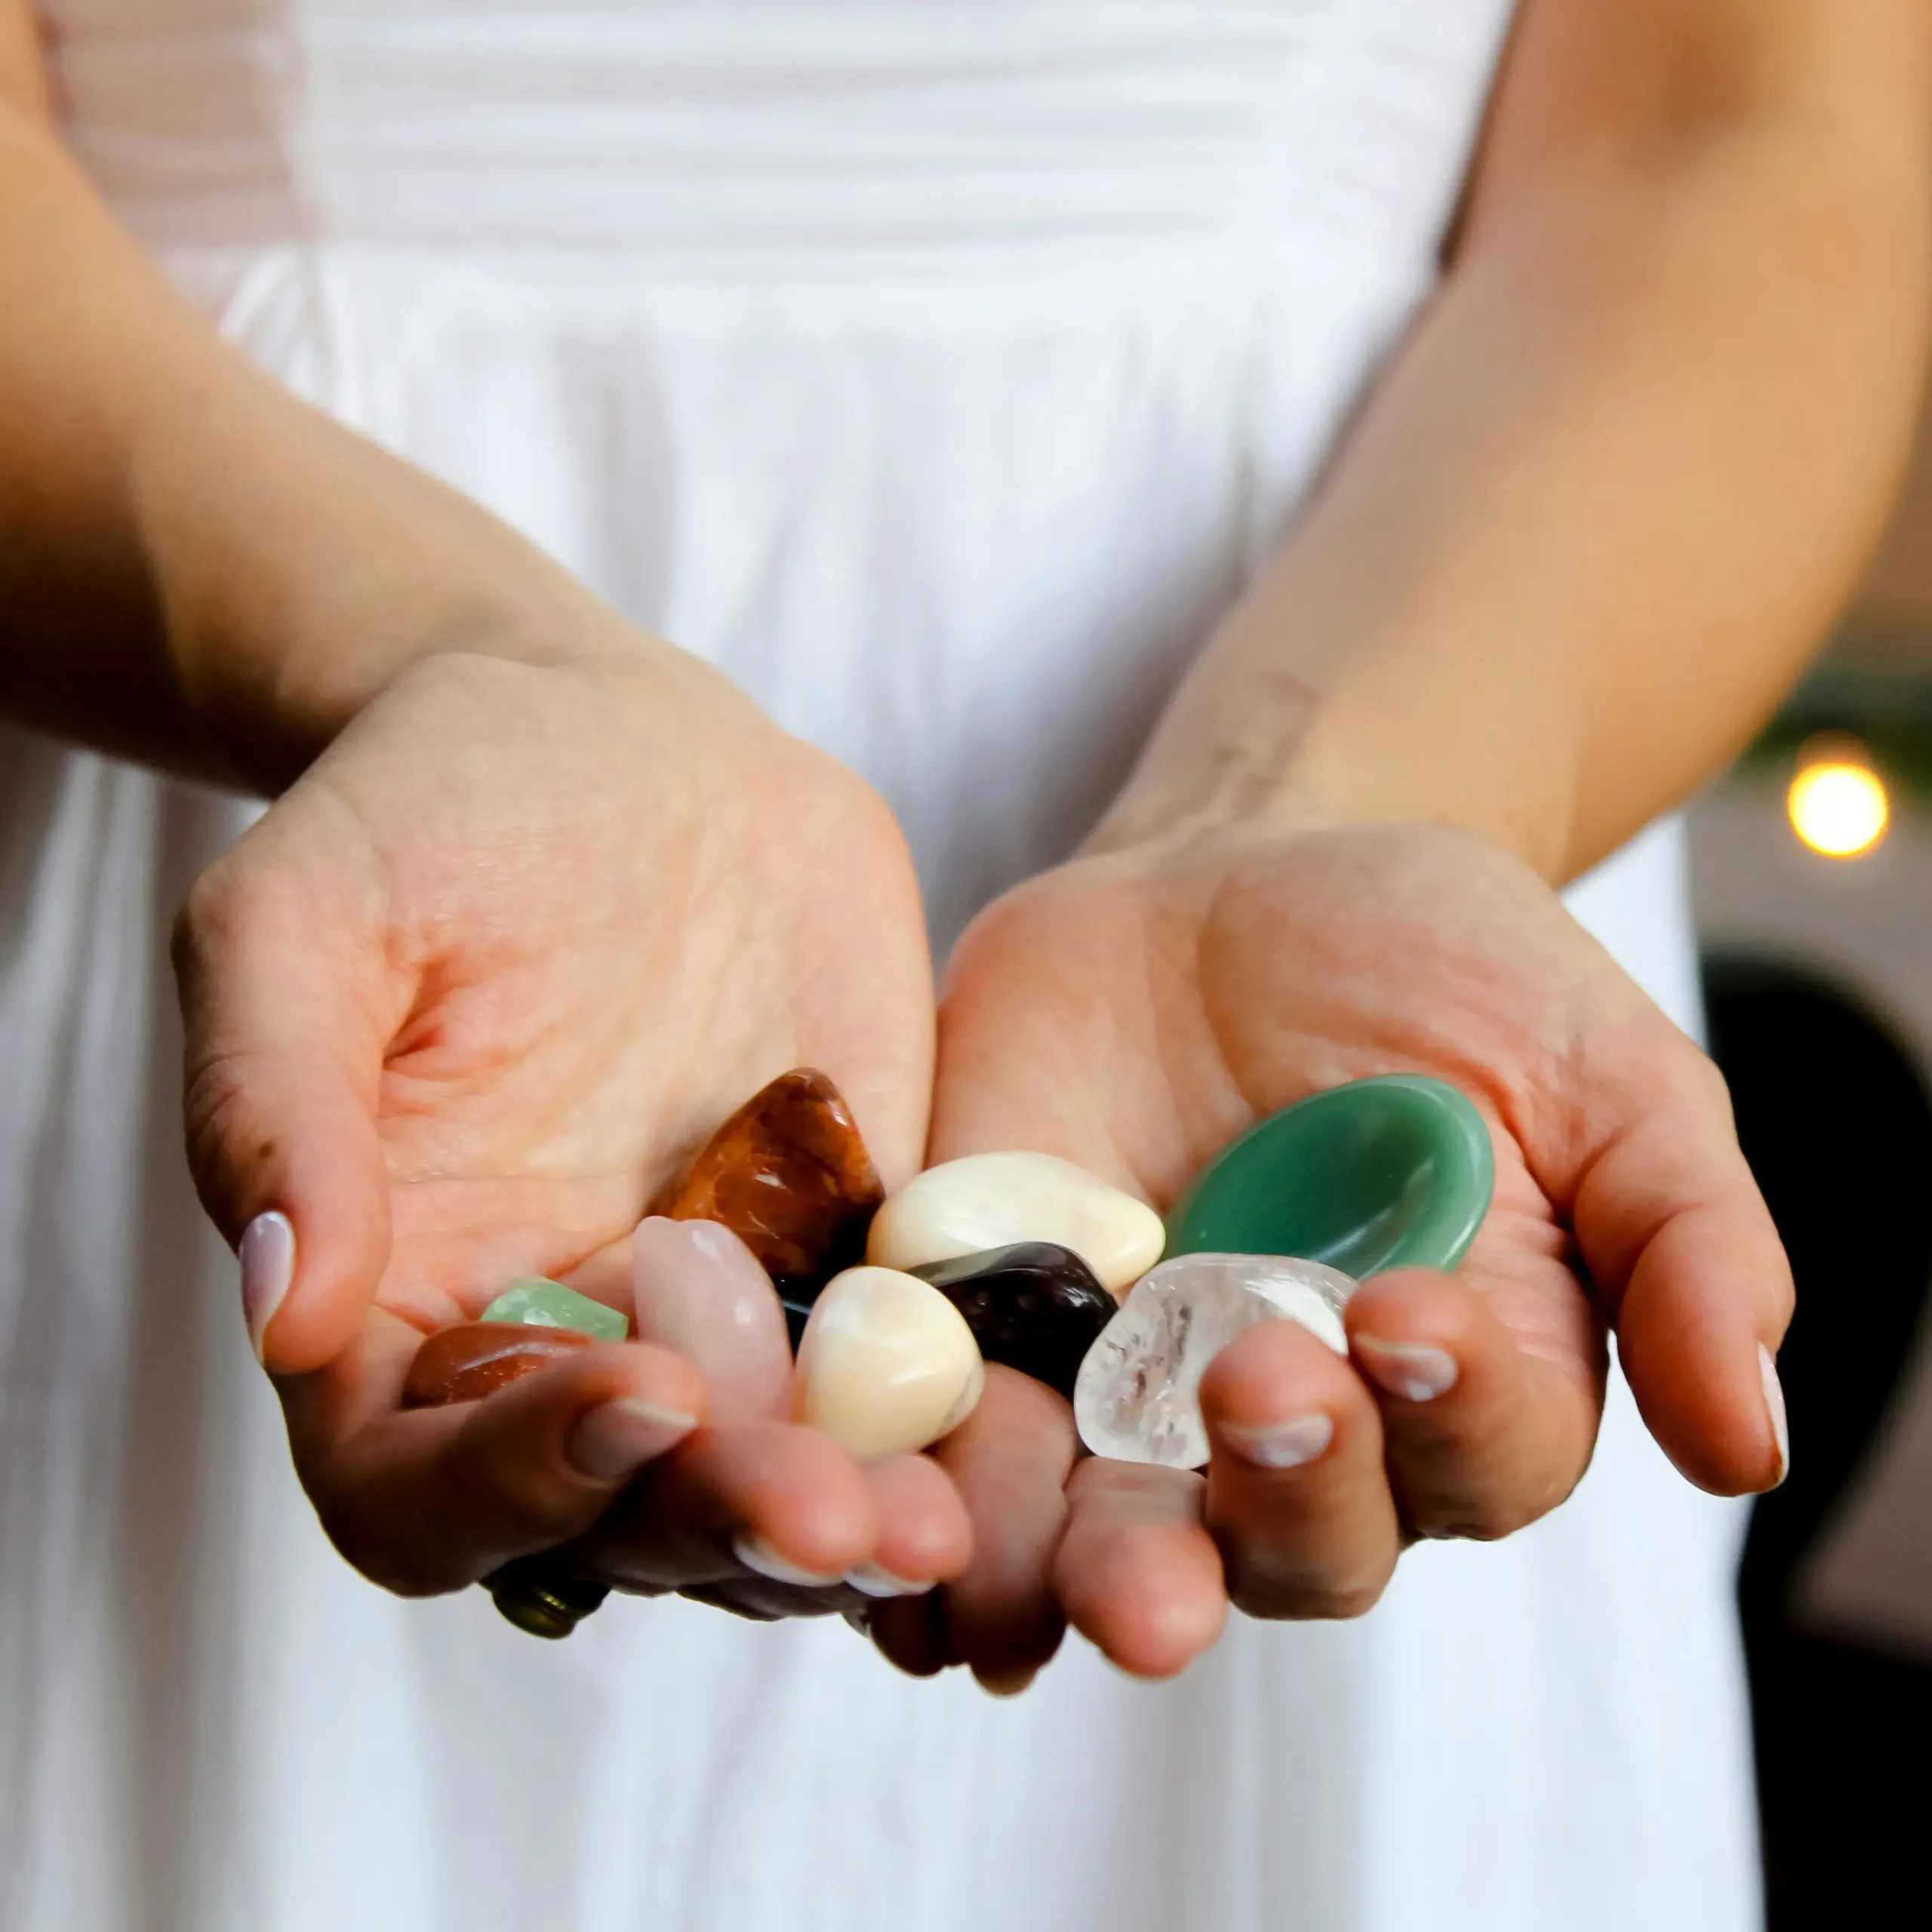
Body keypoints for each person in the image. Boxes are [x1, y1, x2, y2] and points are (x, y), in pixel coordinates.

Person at [0, 0, 1924, 1925]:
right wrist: (442, 661)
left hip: (1415, 638)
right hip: (318, 746)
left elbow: (1737, 149)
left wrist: (1337, 791)